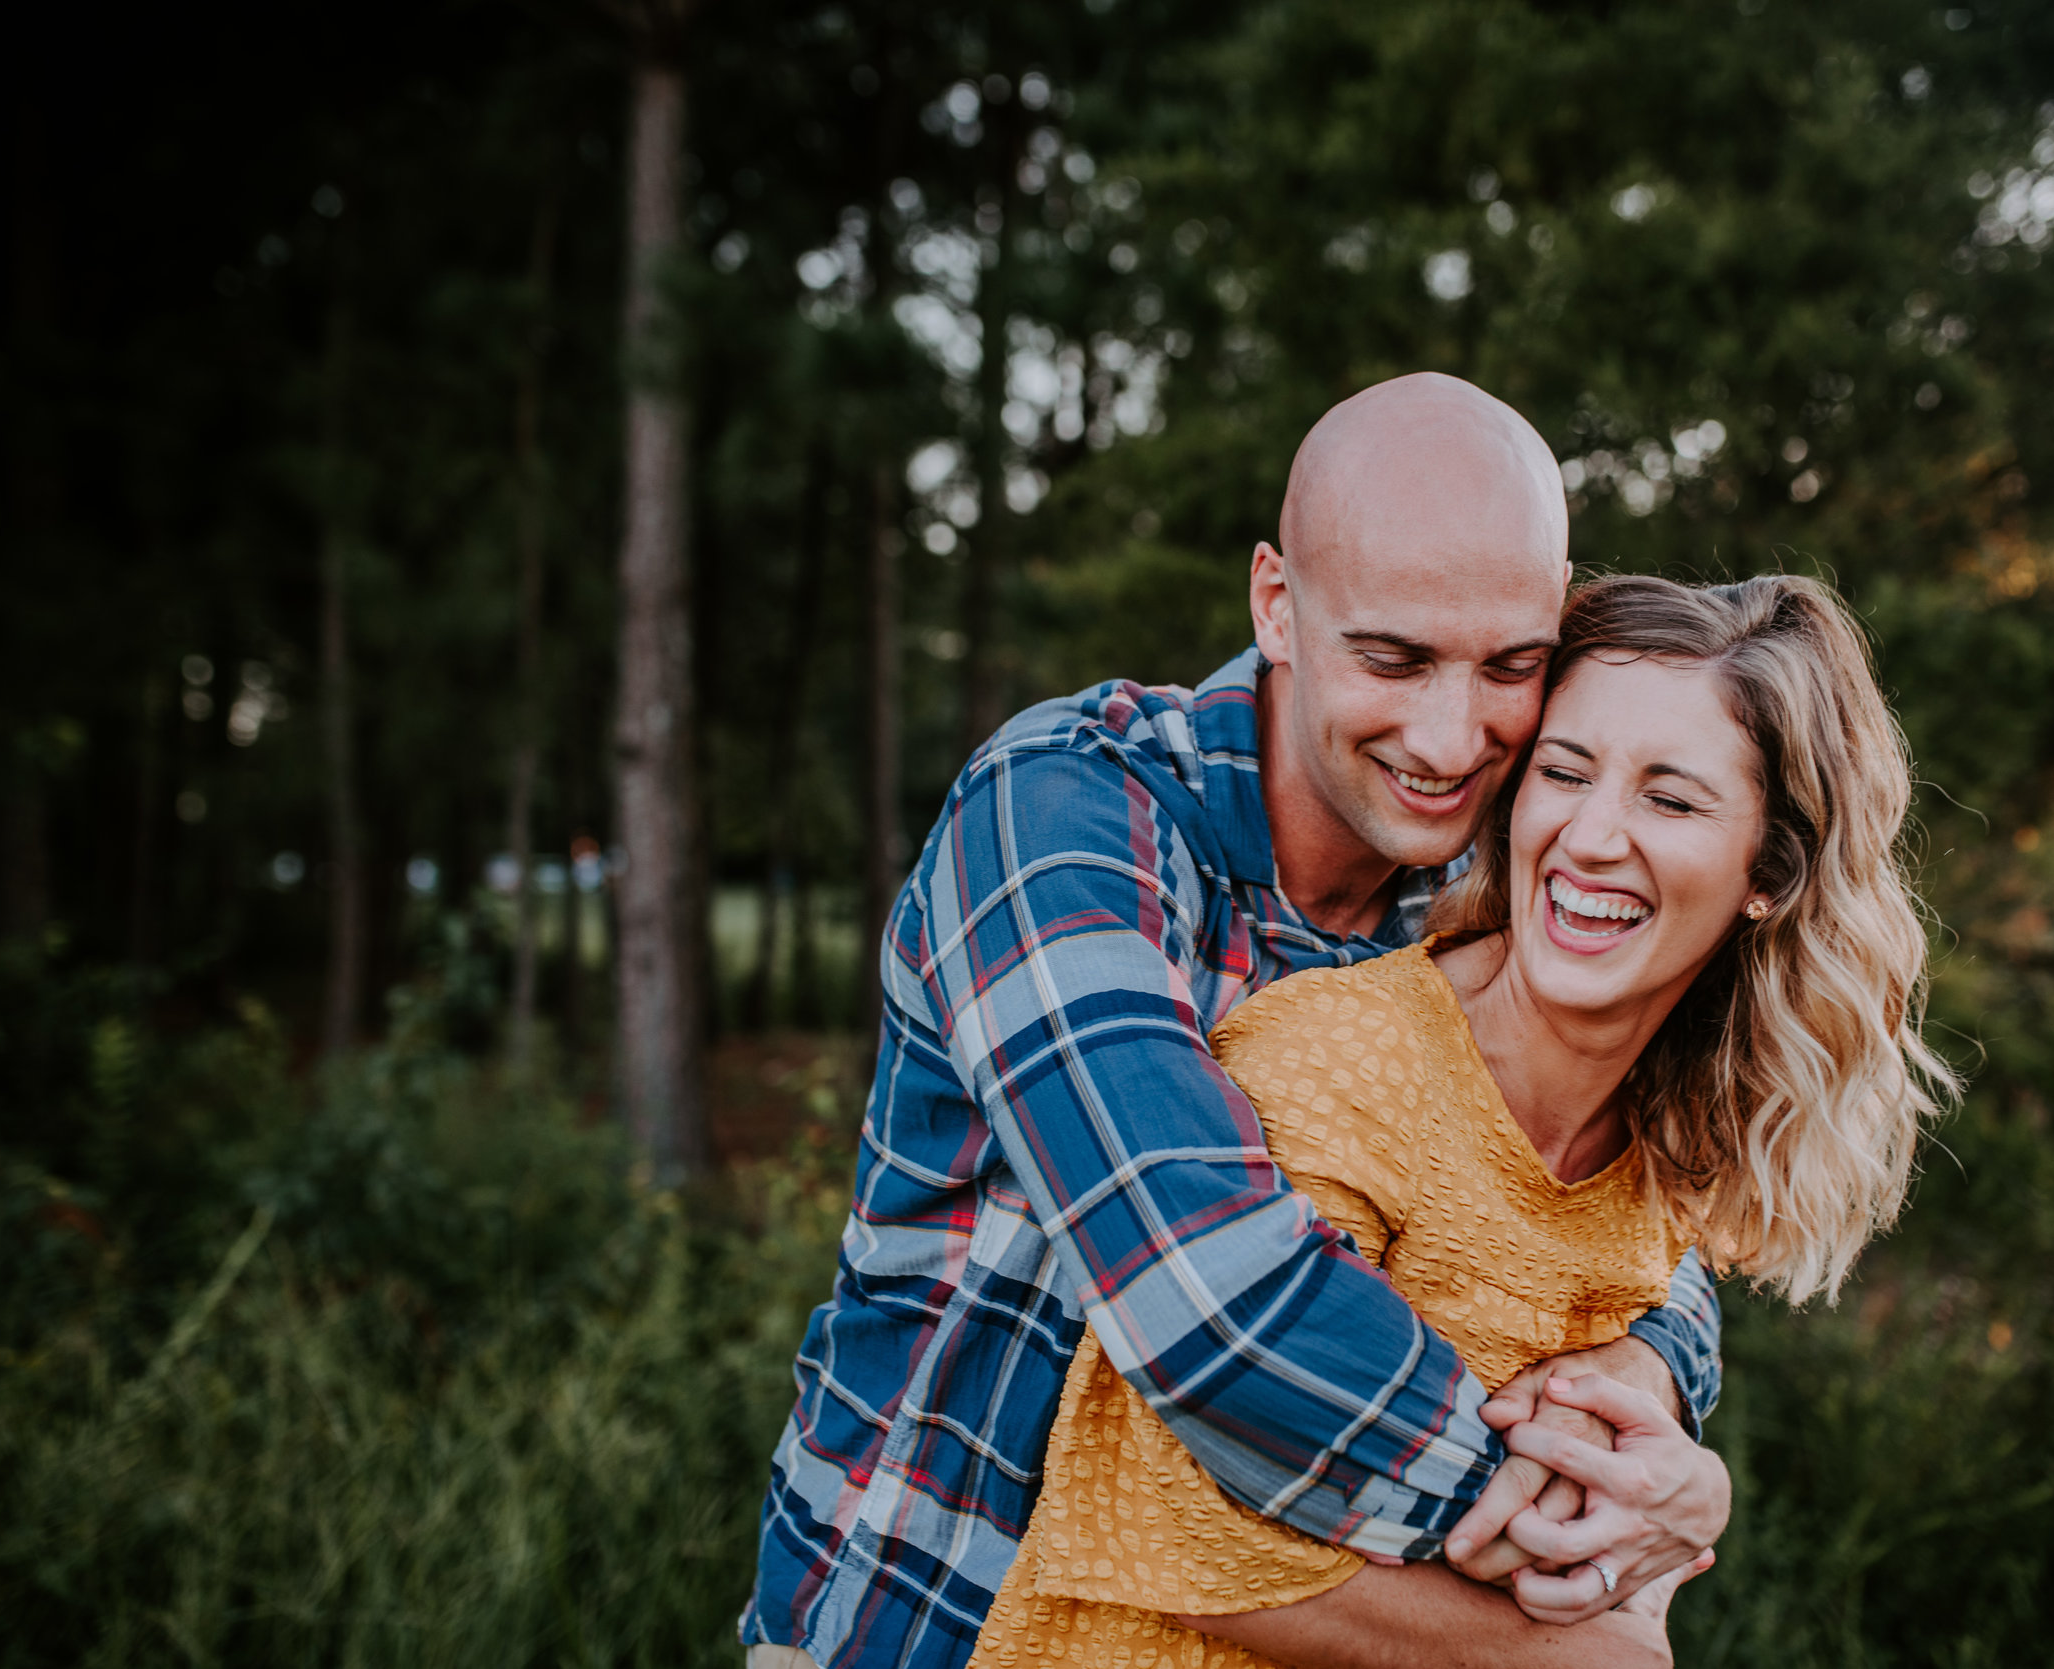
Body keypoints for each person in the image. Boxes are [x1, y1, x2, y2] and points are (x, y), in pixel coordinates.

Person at [743, 374, 1731, 1669]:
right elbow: (1210, 1298)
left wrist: (1654, 1381)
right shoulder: (1063, 817)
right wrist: (1572, 1532)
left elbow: (1620, 1195)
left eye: (1511, 665)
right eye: (1393, 659)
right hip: (928, 1608)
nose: (1453, 739)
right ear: (1276, 604)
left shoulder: (1488, 874)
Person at [961, 570, 1958, 1669]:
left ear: (1768, 870)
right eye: (1564, 773)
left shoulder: (1662, 1148)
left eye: (1670, 801)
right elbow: (1144, 1519)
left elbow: (1620, 1508)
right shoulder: (1344, 1062)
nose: (1591, 835)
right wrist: (1579, 1647)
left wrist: (1675, 1482)